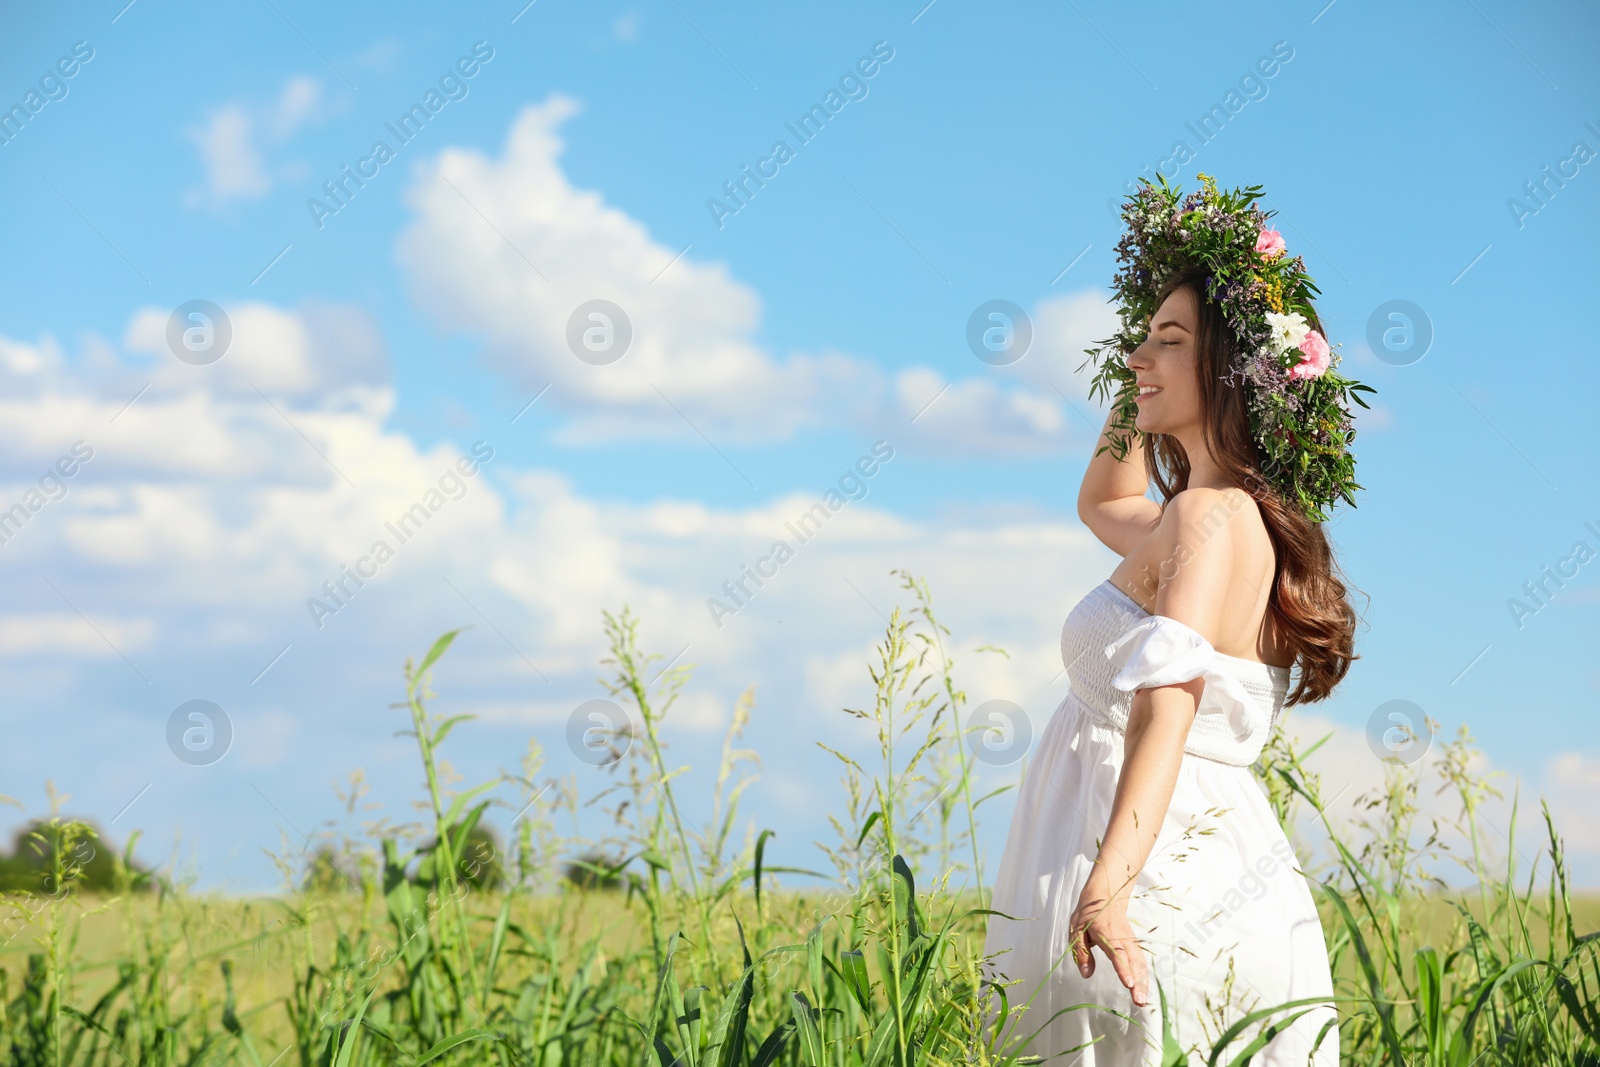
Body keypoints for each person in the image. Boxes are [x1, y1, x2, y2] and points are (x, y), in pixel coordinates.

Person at [980, 174, 1371, 1065]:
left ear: (1228, 370)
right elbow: (1101, 494)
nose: (1138, 355)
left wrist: (1106, 889)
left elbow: (1170, 702)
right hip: (1210, 855)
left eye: (1168, 340)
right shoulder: (1215, 520)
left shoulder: (1202, 521)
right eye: (1139, 338)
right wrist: (1145, 376)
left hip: (1157, 880)